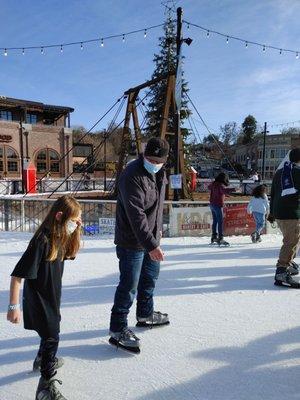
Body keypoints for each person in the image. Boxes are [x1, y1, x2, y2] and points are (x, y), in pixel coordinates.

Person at [7, 195, 82, 399]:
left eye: (78, 222)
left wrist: (77, 230)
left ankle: (42, 358)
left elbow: (71, 253)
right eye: (73, 221)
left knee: (51, 329)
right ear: (59, 217)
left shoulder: (60, 237)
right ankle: (45, 385)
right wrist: (13, 307)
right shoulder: (42, 240)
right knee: (52, 336)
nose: (76, 225)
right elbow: (17, 276)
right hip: (39, 300)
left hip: (52, 297)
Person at [109, 137, 170, 353]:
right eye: (148, 158)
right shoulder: (131, 175)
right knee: (129, 285)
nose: (152, 162)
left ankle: (145, 314)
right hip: (131, 241)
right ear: (143, 155)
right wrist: (152, 244)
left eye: (157, 160)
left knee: (149, 279)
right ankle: (117, 329)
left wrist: (158, 232)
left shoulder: (161, 173)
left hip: (151, 238)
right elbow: (137, 216)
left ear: (164, 160)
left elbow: (158, 206)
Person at [269, 148, 300, 288]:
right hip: (291, 213)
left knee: (292, 239)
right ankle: (282, 270)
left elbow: (273, 193)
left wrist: (271, 213)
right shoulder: (298, 172)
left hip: (279, 213)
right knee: (291, 241)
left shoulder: (280, 172)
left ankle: (289, 263)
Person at [208, 172, 236, 246]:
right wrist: (234, 189)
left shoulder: (214, 184)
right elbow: (224, 191)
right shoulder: (220, 185)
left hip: (212, 204)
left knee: (215, 221)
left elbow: (209, 187)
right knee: (220, 222)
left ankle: (214, 236)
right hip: (217, 205)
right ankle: (220, 238)